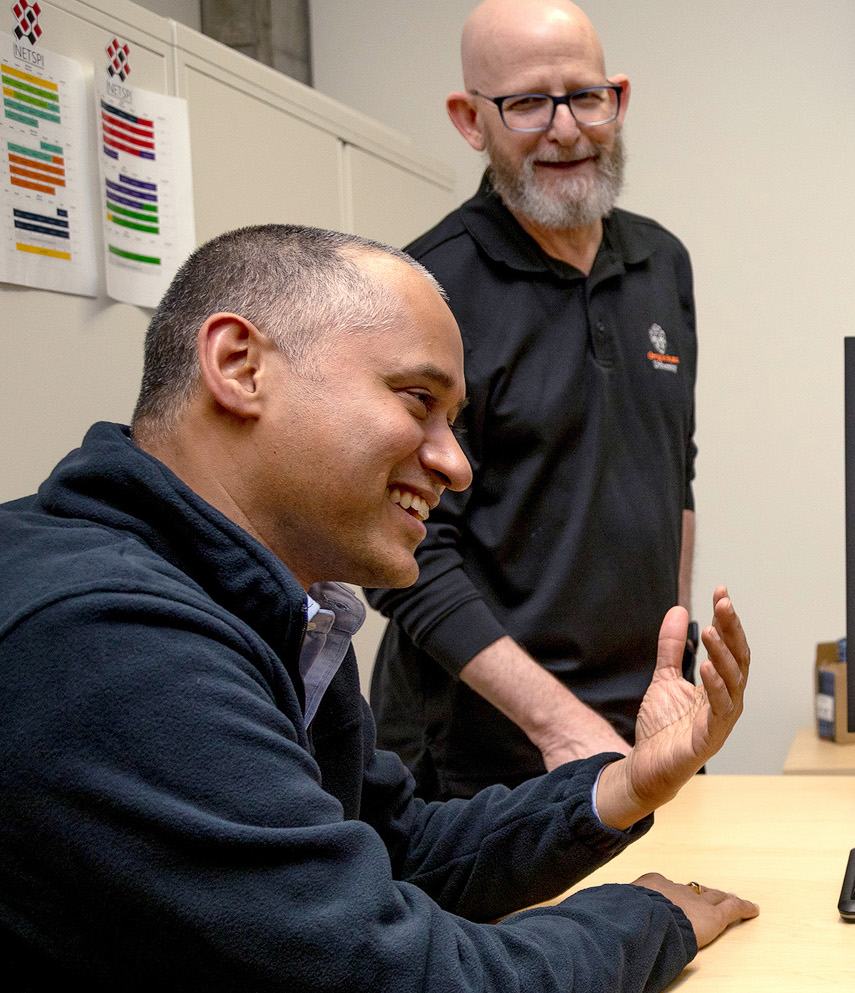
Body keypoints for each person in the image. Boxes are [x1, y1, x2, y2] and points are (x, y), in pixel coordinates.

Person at [0, 224, 758, 989]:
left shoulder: (267, 602)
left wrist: (627, 783)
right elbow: (409, 977)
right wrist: (651, 915)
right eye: (417, 400)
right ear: (238, 365)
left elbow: (399, 845)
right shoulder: (110, 640)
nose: (456, 465)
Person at [366, 0, 701, 799]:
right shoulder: (425, 290)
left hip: (640, 730)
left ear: (618, 97)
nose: (566, 130)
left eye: (586, 97)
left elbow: (672, 479)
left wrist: (673, 669)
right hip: (483, 760)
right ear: (469, 119)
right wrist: (561, 724)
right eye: (526, 103)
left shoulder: (663, 263)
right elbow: (400, 553)